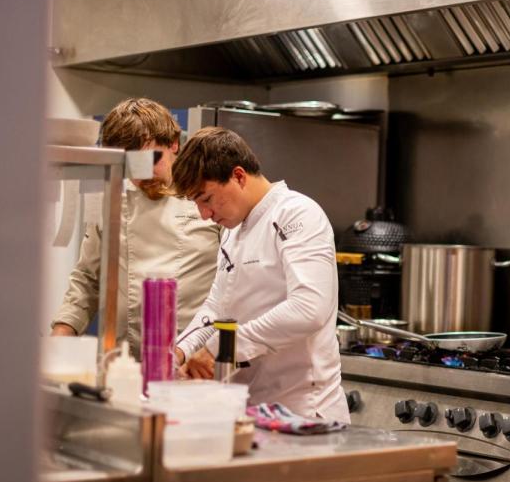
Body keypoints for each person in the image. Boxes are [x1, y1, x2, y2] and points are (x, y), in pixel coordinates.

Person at [172, 126, 349, 423]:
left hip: (303, 414)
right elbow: (217, 308)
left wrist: (218, 348)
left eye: (207, 199)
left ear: (239, 176)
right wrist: (180, 351)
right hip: (250, 411)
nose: (205, 214)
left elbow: (309, 310)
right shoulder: (233, 230)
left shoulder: (298, 214)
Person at [51, 98, 221, 357]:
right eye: (130, 164)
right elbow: (88, 279)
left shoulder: (208, 199)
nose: (141, 175)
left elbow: (237, 288)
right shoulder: (113, 201)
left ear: (174, 143)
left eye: (151, 159)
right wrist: (60, 336)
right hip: (124, 363)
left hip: (192, 362)